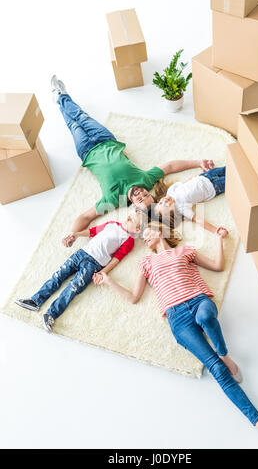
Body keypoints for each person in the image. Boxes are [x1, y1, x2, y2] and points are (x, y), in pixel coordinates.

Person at [93, 222, 258, 449]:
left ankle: (224, 354)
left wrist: (219, 239)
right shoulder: (146, 263)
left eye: (147, 232)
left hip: (199, 301)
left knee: (206, 319)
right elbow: (134, 297)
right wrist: (108, 280)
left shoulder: (184, 250)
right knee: (217, 371)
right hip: (177, 318)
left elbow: (218, 266)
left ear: (159, 231)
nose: (145, 237)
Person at [50, 76, 217, 248]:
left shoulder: (114, 199)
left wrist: (73, 234)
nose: (140, 192)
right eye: (145, 194)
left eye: (139, 198)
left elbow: (85, 217)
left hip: (86, 151)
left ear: (134, 207)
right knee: (81, 116)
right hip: (106, 139)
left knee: (73, 125)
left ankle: (60, 97)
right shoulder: (144, 179)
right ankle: (62, 96)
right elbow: (170, 166)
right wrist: (198, 162)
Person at [15, 211, 143, 333]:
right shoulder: (111, 224)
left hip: (93, 264)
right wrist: (76, 234)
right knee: (58, 275)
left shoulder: (128, 240)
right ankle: (35, 301)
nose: (127, 218)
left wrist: (102, 272)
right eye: (129, 216)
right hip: (80, 253)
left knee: (73, 287)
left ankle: (51, 314)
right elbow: (92, 231)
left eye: (131, 220)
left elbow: (116, 260)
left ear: (137, 229)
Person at [155, 166, 227, 234]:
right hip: (213, 187)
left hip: (205, 176)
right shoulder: (181, 208)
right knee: (232, 179)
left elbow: (185, 182)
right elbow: (198, 220)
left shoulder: (170, 191)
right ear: (173, 212)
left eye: (160, 203)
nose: (164, 201)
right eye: (166, 206)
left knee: (227, 169)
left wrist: (198, 174)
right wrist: (216, 231)